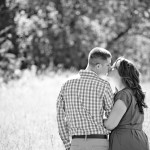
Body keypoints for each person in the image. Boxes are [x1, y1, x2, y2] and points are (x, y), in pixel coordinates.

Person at [57, 47, 114, 150]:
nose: (109, 69)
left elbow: (60, 117)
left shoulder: (66, 84)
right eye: (108, 65)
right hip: (99, 143)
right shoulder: (104, 85)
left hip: (76, 144)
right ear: (98, 66)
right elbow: (112, 117)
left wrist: (67, 144)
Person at [104, 57, 149, 150]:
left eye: (114, 66)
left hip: (125, 141)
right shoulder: (132, 93)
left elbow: (110, 124)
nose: (110, 67)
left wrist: (93, 119)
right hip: (138, 139)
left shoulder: (124, 94)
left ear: (121, 73)